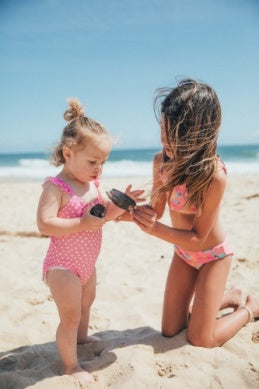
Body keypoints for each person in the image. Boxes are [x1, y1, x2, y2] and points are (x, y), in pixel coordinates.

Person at [132, 79, 259, 348]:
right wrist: (126, 211)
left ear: (199, 134)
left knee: (201, 338)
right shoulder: (161, 162)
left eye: (173, 133)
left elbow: (200, 238)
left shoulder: (214, 175)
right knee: (170, 330)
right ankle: (227, 297)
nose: (164, 139)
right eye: (163, 129)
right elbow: (155, 211)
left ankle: (249, 309)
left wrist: (153, 229)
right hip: (183, 254)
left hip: (213, 255)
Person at [37, 98, 144, 383]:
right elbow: (45, 224)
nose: (99, 168)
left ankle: (81, 339)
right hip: (63, 265)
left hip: (88, 263)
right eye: (93, 161)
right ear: (68, 153)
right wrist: (81, 223)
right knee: (70, 316)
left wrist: (122, 206)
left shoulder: (93, 184)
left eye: (104, 162)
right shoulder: (55, 186)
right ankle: (70, 366)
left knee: (86, 305)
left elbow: (102, 216)